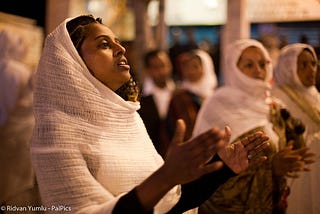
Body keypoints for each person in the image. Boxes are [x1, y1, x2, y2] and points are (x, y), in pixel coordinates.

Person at [30, 15, 271, 214]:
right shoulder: (57, 130)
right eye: (104, 44)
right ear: (71, 63)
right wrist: (167, 176)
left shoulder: (128, 118)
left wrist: (220, 169)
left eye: (117, 41)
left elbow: (167, 204)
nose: (121, 48)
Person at [193, 39, 315, 214]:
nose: (258, 70)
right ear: (234, 69)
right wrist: (271, 168)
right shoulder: (219, 105)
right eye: (249, 65)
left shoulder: (274, 106)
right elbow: (210, 172)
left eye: (262, 64)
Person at [272, 43, 320, 214]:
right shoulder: (278, 98)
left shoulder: (315, 95)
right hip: (297, 174)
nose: (311, 70)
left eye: (313, 63)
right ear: (288, 68)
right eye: (303, 65)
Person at [0, 29, 40, 210]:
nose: (24, 49)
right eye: (20, 45)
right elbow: (5, 107)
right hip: (16, 136)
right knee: (15, 186)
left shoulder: (10, 69)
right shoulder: (13, 71)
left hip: (14, 135)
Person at [167, 49, 218, 142]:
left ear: (205, 68)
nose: (190, 71)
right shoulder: (179, 97)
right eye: (187, 67)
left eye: (195, 66)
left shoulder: (216, 96)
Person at [138, 49, 175, 158]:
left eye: (165, 65)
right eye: (156, 67)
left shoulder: (179, 93)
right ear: (147, 70)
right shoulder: (139, 97)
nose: (162, 71)